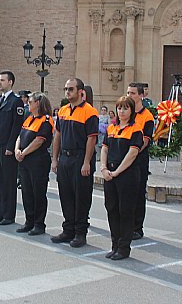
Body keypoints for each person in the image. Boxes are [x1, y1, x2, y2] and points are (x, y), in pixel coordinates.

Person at [50, 78, 99, 248]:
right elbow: (58, 136)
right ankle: (68, 229)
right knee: (66, 195)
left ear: (80, 92)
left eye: (70, 89)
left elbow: (91, 139)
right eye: (65, 89)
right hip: (65, 158)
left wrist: (86, 162)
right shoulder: (62, 111)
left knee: (81, 197)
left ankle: (80, 232)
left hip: (80, 158)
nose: (67, 92)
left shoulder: (90, 112)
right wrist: (55, 159)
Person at [100, 96, 142, 260]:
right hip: (110, 174)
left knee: (125, 211)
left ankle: (124, 247)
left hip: (127, 176)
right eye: (119, 108)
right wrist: (103, 168)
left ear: (131, 111)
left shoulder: (136, 129)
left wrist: (117, 172)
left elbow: (132, 153)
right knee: (111, 208)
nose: (121, 111)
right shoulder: (112, 128)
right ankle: (115, 244)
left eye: (125, 108)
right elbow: (104, 148)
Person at [0, 71, 25, 226]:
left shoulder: (16, 102)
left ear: (10, 82)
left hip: (7, 148)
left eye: (2, 80)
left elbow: (17, 127)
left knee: (9, 182)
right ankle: (0, 212)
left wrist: (11, 146)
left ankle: (9, 215)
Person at [14, 92, 54, 236]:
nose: (28, 104)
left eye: (30, 101)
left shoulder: (46, 120)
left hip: (38, 161)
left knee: (38, 193)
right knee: (26, 191)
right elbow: (20, 135)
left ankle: (39, 224)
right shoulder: (29, 118)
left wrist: (23, 152)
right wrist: (17, 149)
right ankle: (28, 221)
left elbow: (39, 140)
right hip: (25, 161)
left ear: (38, 103)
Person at [126, 83, 155, 240]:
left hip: (138, 160)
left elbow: (145, 140)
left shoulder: (147, 116)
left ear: (141, 95)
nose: (129, 95)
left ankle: (137, 227)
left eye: (133, 93)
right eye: (128, 92)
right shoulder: (125, 113)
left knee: (137, 194)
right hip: (124, 159)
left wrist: (132, 152)